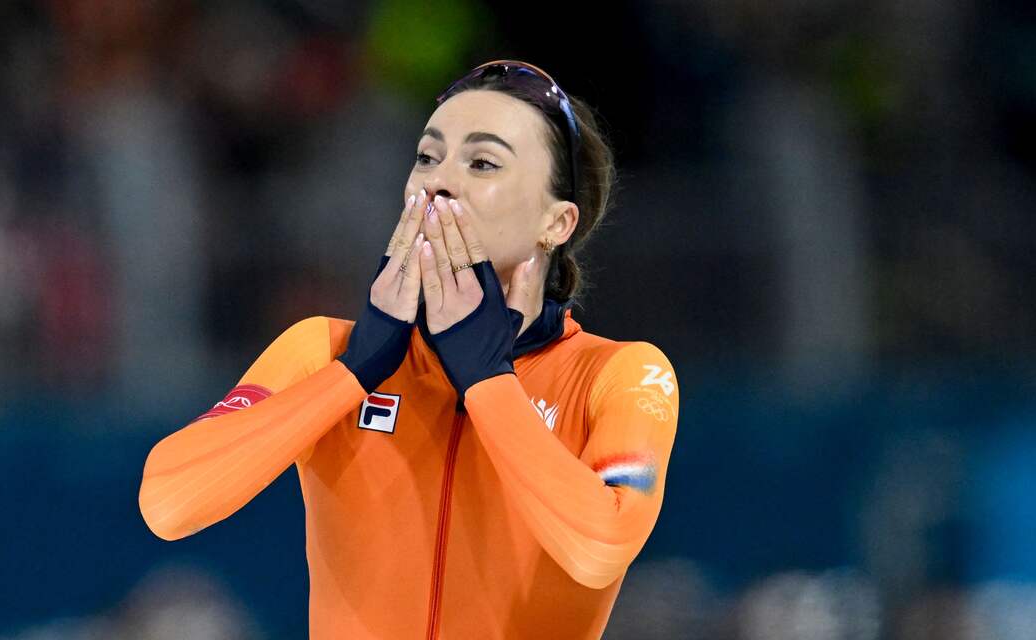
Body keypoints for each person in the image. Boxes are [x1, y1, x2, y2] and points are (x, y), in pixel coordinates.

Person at [138, 60, 680, 639]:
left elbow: (599, 548)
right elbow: (167, 504)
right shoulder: (325, 348)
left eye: (483, 162)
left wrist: (488, 381)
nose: (438, 182)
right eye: (427, 156)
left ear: (557, 222)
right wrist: (354, 372)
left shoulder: (619, 374)